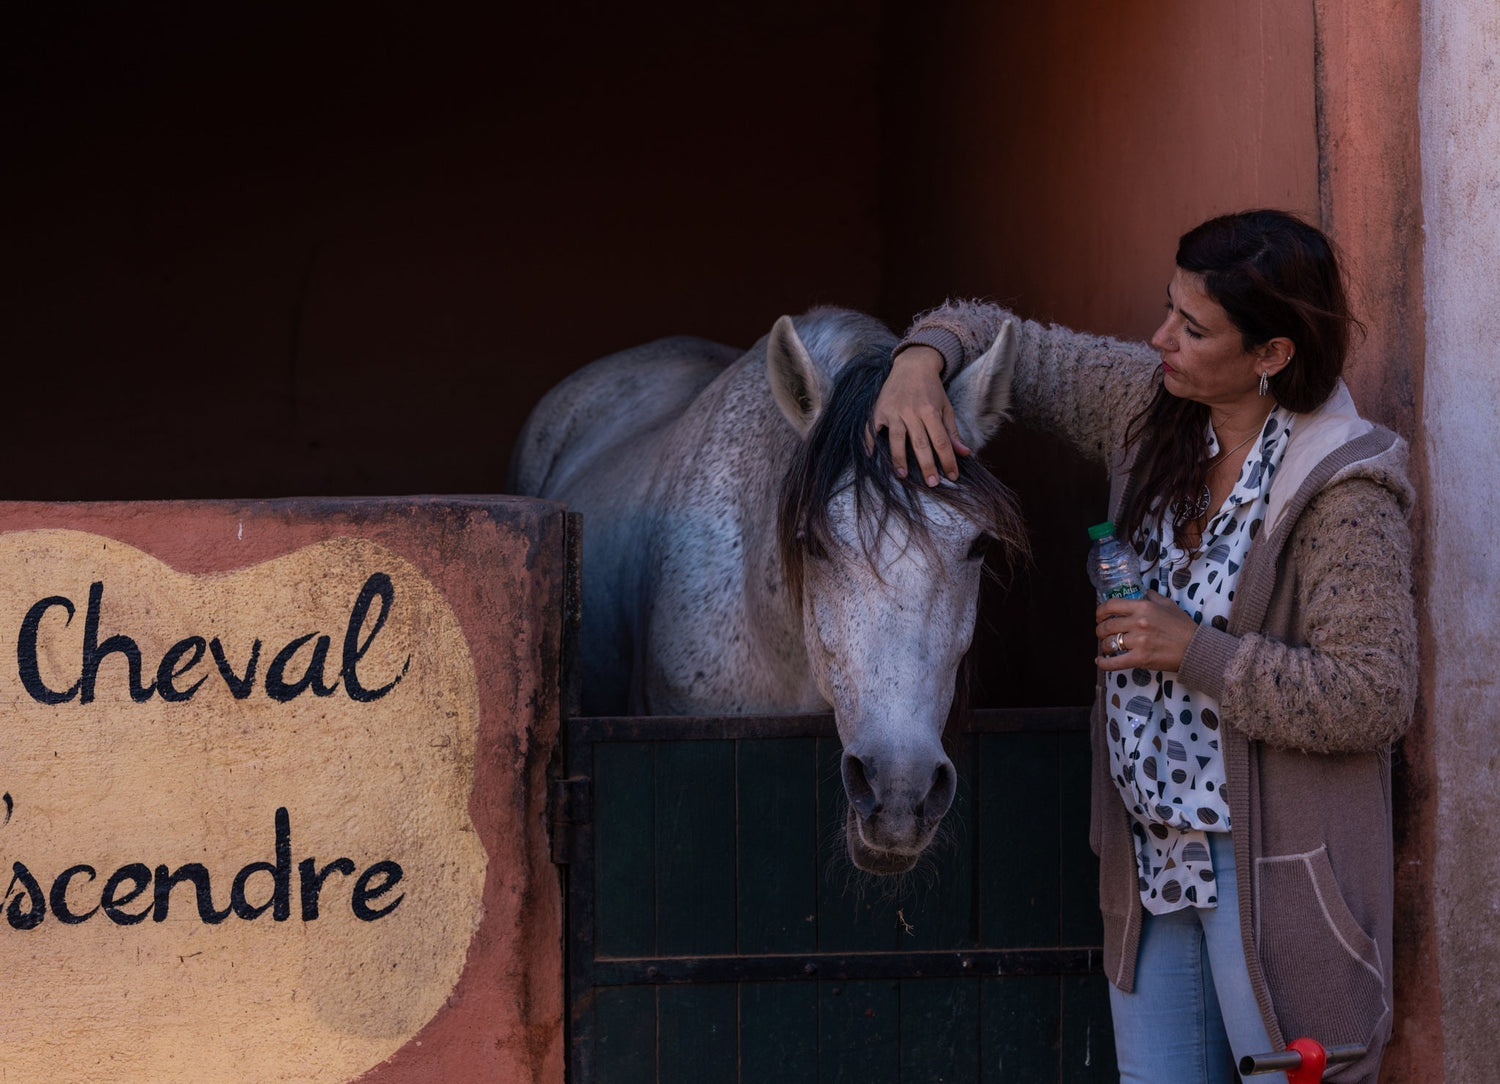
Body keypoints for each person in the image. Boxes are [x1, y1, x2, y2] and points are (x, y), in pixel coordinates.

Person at [871, 209, 1417, 1083]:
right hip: (1149, 857)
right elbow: (995, 334)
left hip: (1273, 872)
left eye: (1192, 328)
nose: (1160, 338)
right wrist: (916, 361)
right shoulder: (1146, 405)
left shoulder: (1344, 478)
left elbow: (1373, 694)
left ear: (1271, 354)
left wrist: (1192, 648)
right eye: (1168, 308)